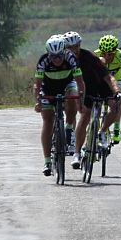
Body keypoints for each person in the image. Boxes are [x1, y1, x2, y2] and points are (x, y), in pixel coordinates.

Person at [64, 31, 121, 169]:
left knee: (116, 104)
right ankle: (77, 154)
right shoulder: (63, 60)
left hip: (100, 85)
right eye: (70, 48)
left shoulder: (90, 56)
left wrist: (117, 92)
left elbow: (109, 77)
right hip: (85, 89)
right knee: (85, 116)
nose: (74, 50)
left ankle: (102, 132)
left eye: (76, 46)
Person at [33, 35, 84, 176]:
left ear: (65, 52)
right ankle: (47, 161)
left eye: (60, 55)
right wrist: (37, 101)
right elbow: (37, 85)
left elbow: (80, 82)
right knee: (48, 120)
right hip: (48, 88)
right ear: (48, 54)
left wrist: (81, 100)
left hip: (67, 85)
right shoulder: (43, 61)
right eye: (53, 56)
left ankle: (68, 128)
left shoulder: (71, 58)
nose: (57, 59)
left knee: (72, 96)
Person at [96, 34, 121, 144]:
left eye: (110, 54)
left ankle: (116, 128)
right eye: (104, 54)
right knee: (96, 104)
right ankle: (94, 128)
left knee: (117, 100)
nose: (107, 57)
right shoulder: (95, 55)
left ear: (115, 52)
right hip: (101, 81)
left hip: (117, 80)